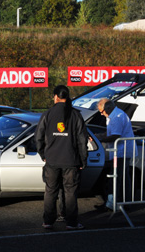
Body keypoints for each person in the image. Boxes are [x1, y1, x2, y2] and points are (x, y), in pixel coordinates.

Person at [35, 85, 88, 230]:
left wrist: (42, 154)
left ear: (56, 96)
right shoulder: (76, 115)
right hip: (71, 161)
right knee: (70, 192)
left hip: (52, 160)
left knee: (50, 191)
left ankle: (48, 221)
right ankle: (71, 222)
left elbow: (38, 137)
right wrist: (83, 159)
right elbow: (82, 140)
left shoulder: (47, 114)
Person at [94, 99, 133, 211]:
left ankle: (111, 204)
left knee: (115, 177)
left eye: (101, 111)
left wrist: (101, 140)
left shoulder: (116, 117)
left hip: (121, 151)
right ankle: (125, 202)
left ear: (108, 108)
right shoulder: (113, 115)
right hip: (121, 151)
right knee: (123, 177)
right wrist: (99, 136)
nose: (101, 114)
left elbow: (115, 135)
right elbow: (110, 133)